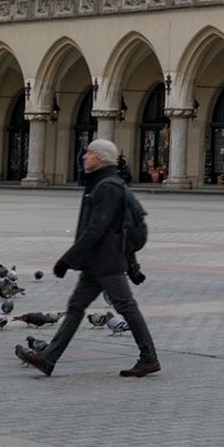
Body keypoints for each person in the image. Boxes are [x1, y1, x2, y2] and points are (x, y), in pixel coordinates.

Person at [18, 139, 159, 378]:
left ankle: (149, 358)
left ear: (102, 158)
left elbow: (97, 228)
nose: (84, 157)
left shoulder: (107, 186)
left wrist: (67, 260)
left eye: (90, 153)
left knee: (126, 307)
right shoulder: (100, 182)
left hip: (106, 261)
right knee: (75, 307)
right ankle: (48, 358)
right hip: (97, 261)